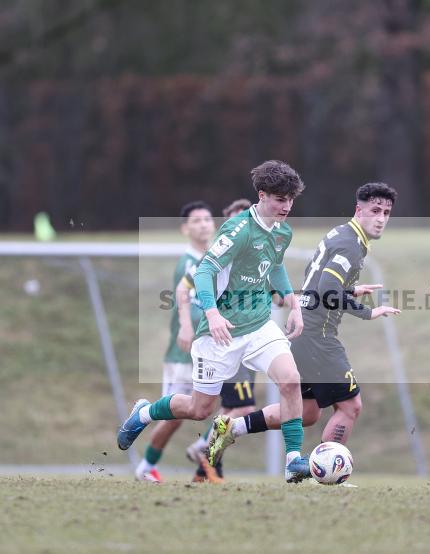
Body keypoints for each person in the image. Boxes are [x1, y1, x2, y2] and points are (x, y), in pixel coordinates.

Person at [117, 160, 313, 483]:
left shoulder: (283, 232)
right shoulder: (237, 230)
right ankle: (144, 412)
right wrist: (212, 313)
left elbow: (275, 266)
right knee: (199, 409)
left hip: (260, 324)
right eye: (280, 199)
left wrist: (293, 303)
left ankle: (293, 460)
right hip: (220, 332)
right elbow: (206, 272)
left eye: (291, 199)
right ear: (262, 195)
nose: (287, 206)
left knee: (290, 381)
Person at [206, 183, 401, 468]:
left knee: (307, 411)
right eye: (374, 210)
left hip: (304, 330)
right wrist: (366, 312)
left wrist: (351, 288)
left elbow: (321, 281)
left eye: (386, 212)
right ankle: (325, 471)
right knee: (350, 406)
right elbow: (327, 288)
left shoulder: (343, 233)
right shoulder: (351, 244)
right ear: (359, 210)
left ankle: (232, 428)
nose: (381, 218)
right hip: (317, 336)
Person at [178, 199, 261, 483]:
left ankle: (207, 467)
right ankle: (205, 451)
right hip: (223, 341)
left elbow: (275, 292)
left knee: (227, 411)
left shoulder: (255, 256)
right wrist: (187, 325)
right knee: (240, 408)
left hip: (247, 341)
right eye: (237, 221)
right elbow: (183, 287)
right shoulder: (220, 255)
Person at [134, 201, 215, 483]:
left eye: (207, 219)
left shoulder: (214, 259)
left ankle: (205, 461)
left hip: (210, 348)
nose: (204, 224)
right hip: (184, 352)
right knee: (175, 416)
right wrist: (186, 326)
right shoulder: (189, 262)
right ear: (185, 229)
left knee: (226, 403)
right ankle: (145, 466)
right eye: (196, 220)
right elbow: (187, 301)